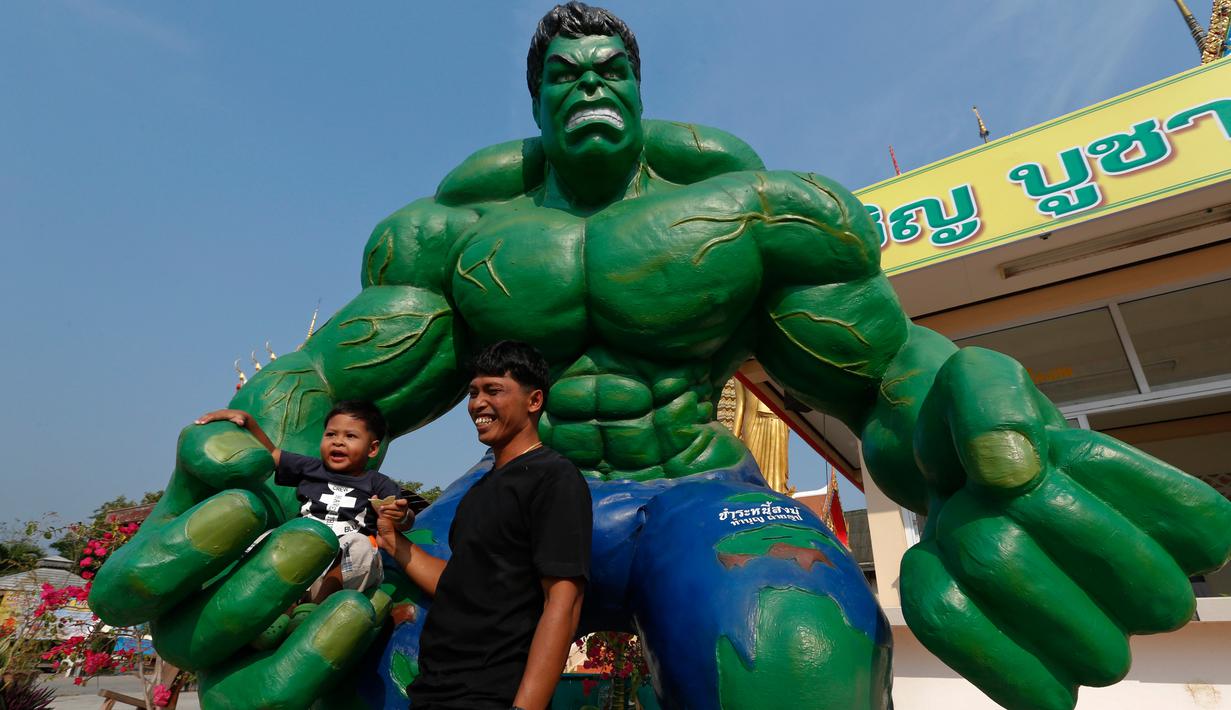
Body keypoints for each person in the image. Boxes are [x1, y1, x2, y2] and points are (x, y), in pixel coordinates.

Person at [90, 3, 1231, 708]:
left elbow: (885, 373)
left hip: (696, 491)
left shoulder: (739, 210)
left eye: (609, 71)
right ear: (536, 101)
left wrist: (954, 429)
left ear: (636, 90)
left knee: (791, 656)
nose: (590, 84)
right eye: (564, 75)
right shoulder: (460, 232)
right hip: (523, 497)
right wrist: (251, 447)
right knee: (377, 665)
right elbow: (328, 386)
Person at [377, 340, 591, 710]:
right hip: (433, 691)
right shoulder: (479, 489)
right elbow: (458, 583)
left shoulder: (555, 479)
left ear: (534, 401)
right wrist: (394, 543)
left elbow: (563, 601)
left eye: (494, 391)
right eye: (473, 392)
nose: (477, 404)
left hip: (493, 695)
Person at [195, 400, 413, 601]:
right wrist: (247, 419)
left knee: (361, 545)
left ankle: (315, 610)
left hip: (344, 572)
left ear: (372, 448)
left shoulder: (379, 484)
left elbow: (405, 521)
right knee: (267, 538)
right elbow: (271, 453)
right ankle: (276, 605)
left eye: (350, 436)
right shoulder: (311, 469)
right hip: (302, 559)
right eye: (331, 434)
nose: (338, 442)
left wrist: (402, 515)